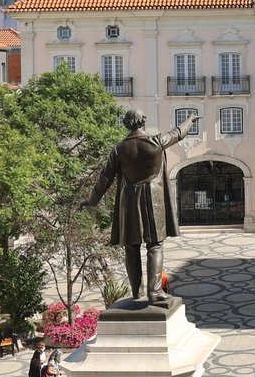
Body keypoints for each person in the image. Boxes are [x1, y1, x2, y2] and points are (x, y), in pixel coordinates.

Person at [82, 109, 198, 302]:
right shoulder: (156, 142)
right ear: (143, 121)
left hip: (129, 201)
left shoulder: (119, 149)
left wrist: (92, 200)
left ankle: (137, 292)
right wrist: (190, 119)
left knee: (131, 247)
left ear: (127, 124)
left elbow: (105, 178)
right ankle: (154, 291)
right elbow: (178, 133)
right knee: (155, 245)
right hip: (154, 200)